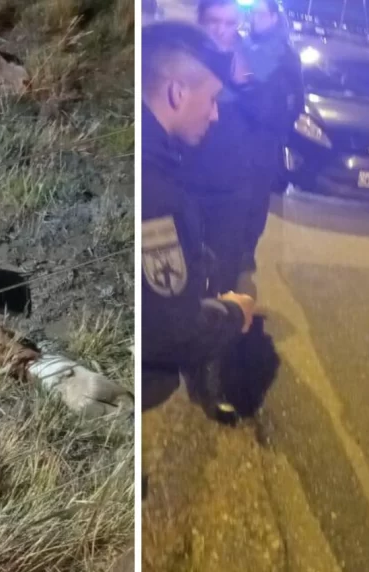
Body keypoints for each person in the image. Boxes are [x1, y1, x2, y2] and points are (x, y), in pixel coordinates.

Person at [141, 20, 255, 423]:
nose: (215, 113)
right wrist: (232, 314)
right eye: (211, 100)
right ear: (177, 92)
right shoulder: (155, 192)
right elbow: (172, 330)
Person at [181, 0, 274, 300]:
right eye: (213, 21)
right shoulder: (182, 56)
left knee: (223, 277)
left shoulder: (254, 59)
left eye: (228, 23)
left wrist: (245, 83)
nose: (221, 30)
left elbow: (271, 119)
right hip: (187, 186)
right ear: (200, 20)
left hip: (232, 191)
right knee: (185, 277)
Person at [242, 0, 304, 191]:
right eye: (253, 13)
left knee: (255, 200)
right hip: (238, 136)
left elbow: (297, 100)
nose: (254, 19)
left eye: (260, 14)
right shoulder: (243, 45)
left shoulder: (285, 55)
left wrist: (278, 127)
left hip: (265, 140)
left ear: (273, 18)